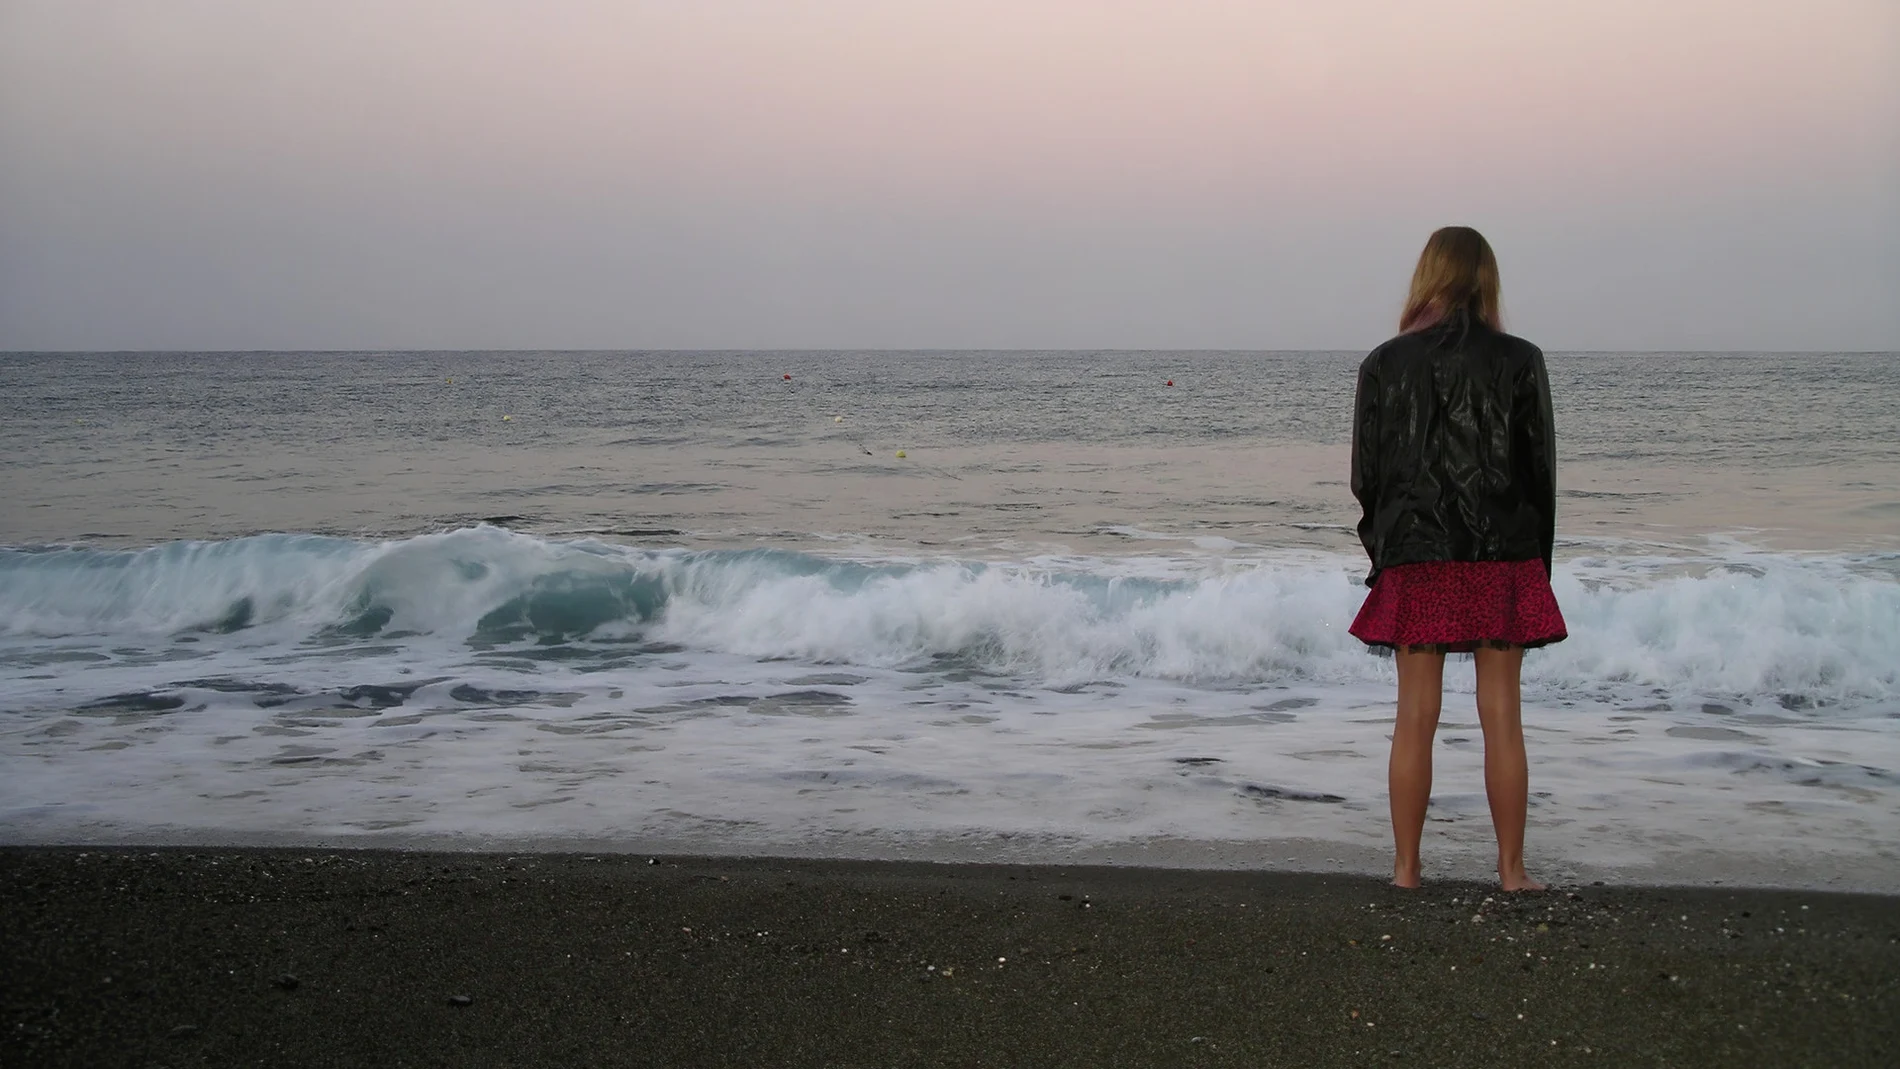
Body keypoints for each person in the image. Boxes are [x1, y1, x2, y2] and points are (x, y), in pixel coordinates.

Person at [1348, 226, 1566, 892]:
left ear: (1426, 279)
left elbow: (1367, 475)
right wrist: (1538, 566)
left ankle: (1406, 870)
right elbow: (1540, 470)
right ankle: (1511, 870)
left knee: (1415, 714)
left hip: (1417, 554)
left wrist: (1384, 555)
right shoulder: (1521, 359)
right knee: (1501, 712)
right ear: (1486, 281)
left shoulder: (1385, 363)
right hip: (1502, 553)